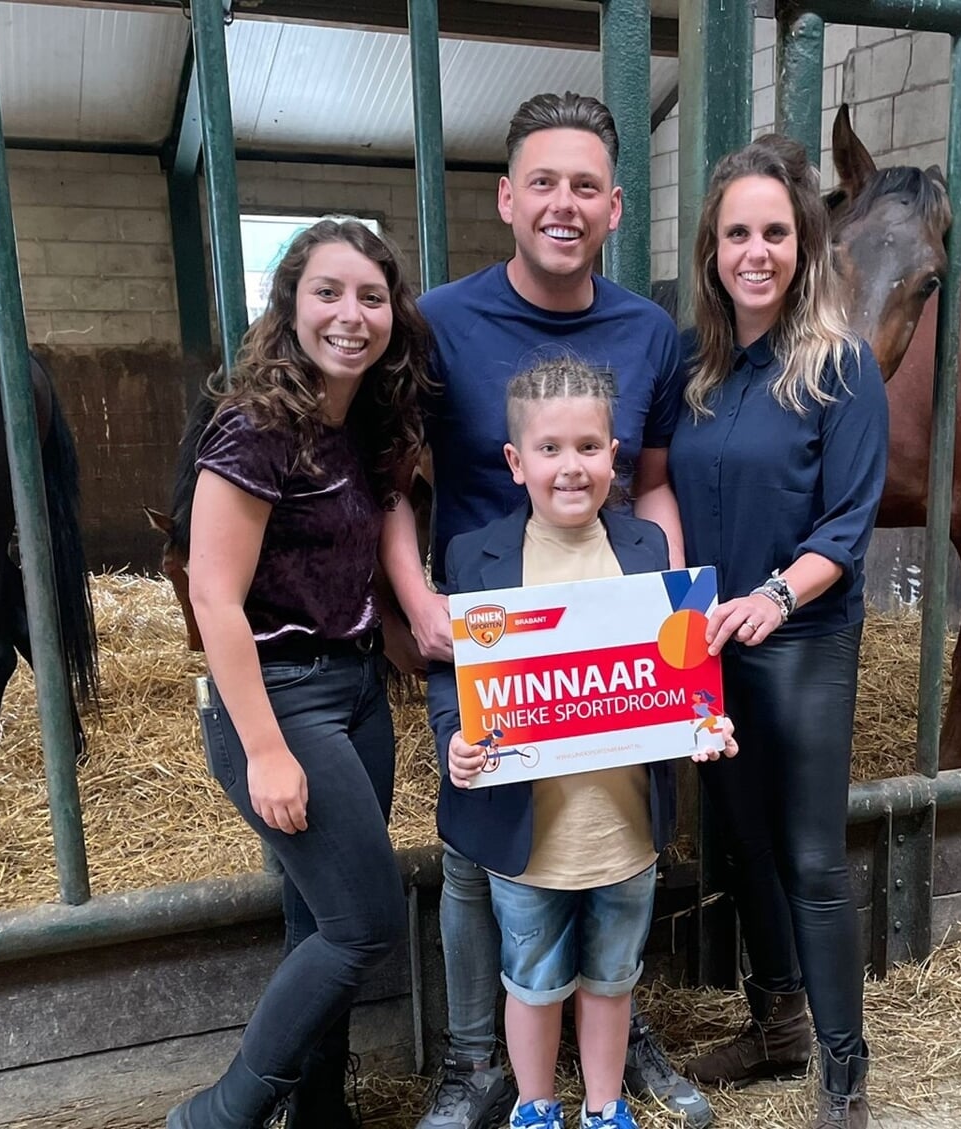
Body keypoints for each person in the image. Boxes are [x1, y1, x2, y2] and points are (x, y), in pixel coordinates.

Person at [382, 91, 711, 1129]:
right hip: (488, 623)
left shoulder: (648, 331)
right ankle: (481, 1070)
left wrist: (675, 629)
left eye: (583, 186)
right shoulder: (438, 321)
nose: (561, 204)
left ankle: (614, 1051)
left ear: (613, 207)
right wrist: (416, 599)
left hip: (602, 630)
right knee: (491, 859)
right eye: (542, 182)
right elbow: (396, 476)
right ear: (506, 198)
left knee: (607, 849)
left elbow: (651, 482)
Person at [168, 219, 433, 1129]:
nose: (350, 315)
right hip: (281, 700)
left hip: (356, 691)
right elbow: (212, 596)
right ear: (290, 305)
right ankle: (218, 1115)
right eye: (328, 292)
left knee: (319, 924)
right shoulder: (254, 427)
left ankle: (319, 1114)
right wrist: (266, 751)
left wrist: (404, 636)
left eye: (370, 296)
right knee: (365, 925)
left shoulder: (357, 424)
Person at [428, 359, 734, 1129]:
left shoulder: (645, 547)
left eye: (590, 447)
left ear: (615, 453)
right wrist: (454, 739)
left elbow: (677, 670)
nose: (572, 467)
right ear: (515, 461)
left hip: (624, 829)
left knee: (611, 977)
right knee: (529, 979)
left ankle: (604, 1107)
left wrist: (705, 721)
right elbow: (450, 678)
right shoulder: (475, 557)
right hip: (526, 838)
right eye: (551, 449)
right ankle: (535, 1108)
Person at [667, 136, 889, 1129]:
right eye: (734, 234)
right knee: (742, 845)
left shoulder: (837, 365)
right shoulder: (701, 368)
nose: (753, 251)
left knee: (808, 856)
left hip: (795, 640)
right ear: (711, 249)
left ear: (801, 244)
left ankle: (842, 1069)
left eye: (773, 232)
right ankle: (773, 1028)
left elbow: (846, 523)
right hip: (707, 644)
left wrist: (774, 597)